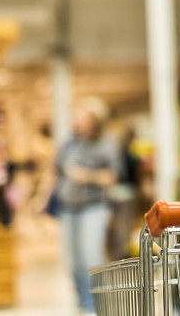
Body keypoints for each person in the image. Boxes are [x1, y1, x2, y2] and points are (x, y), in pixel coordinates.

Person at [55, 97, 121, 315]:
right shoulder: (70, 142)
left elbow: (112, 177)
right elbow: (57, 172)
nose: (77, 121)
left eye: (82, 117)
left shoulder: (107, 143)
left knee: (91, 257)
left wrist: (88, 176)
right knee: (72, 260)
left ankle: (95, 305)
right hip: (68, 208)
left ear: (95, 120)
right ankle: (82, 303)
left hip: (94, 206)